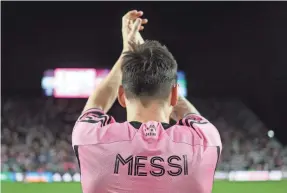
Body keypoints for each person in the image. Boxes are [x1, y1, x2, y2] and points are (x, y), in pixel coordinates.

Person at [72, 10, 222, 193]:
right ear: (174, 95)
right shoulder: (206, 141)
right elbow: (189, 114)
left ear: (122, 96)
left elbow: (97, 104)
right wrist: (161, 78)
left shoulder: (90, 139)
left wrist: (128, 50)